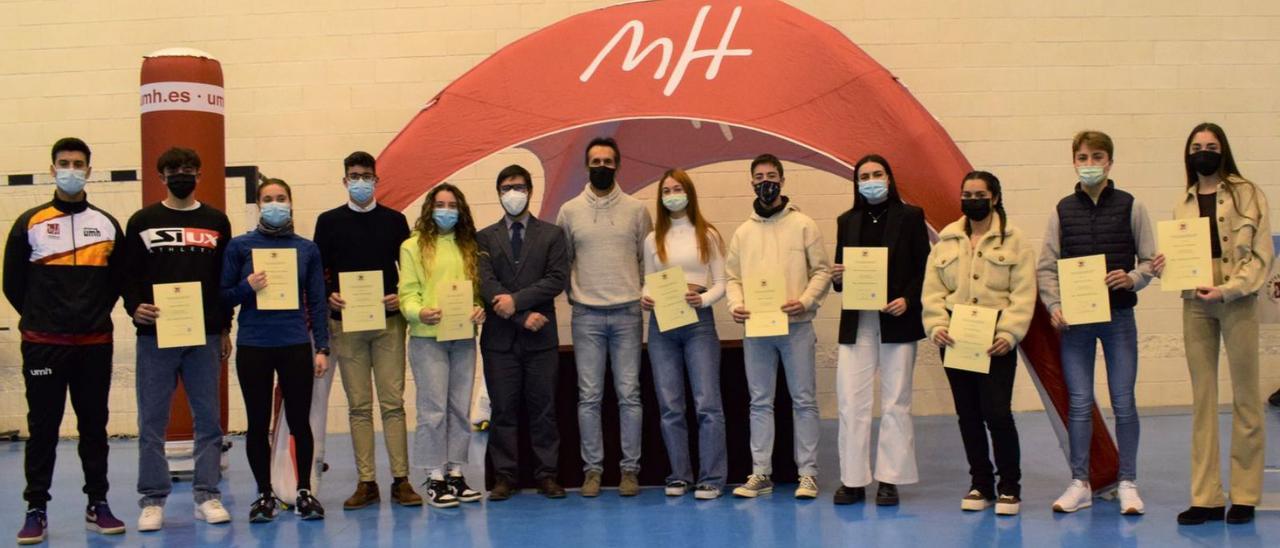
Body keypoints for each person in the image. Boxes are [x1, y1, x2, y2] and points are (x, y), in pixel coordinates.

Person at [4, 138, 126, 544]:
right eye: (64, 163)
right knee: (43, 428)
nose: (71, 169)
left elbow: (116, 284)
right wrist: (44, 318)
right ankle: (36, 508)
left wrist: (88, 315)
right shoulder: (29, 222)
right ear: (53, 168)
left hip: (94, 344)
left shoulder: (107, 224)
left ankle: (99, 504)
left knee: (95, 427)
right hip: (43, 343)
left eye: (78, 163)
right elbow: (12, 284)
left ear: (89, 171)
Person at [1160, 123, 1274, 526]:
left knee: (1246, 397)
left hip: (1237, 300)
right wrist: (1165, 267)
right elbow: (1181, 256)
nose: (1203, 152)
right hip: (1195, 303)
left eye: (1210, 146)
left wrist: (1229, 289)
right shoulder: (1183, 203)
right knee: (1202, 400)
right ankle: (1205, 496)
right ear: (1187, 154)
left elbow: (1261, 256)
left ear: (1224, 150)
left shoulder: (1248, 194)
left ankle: (1244, 494)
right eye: (1196, 147)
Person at [1037, 131, 1156, 515]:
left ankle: (1128, 482)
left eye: (1097, 156)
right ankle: (1080, 482)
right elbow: (1046, 266)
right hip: (1077, 322)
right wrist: (1054, 305)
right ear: (1074, 161)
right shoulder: (1061, 210)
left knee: (1124, 402)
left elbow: (1149, 261)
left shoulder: (1131, 206)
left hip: (1119, 316)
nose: (1090, 163)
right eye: (1083, 156)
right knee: (1079, 403)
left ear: (1110, 161)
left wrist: (1132, 279)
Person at [121, 147, 233, 531]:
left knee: (209, 420)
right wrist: (134, 306)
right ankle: (152, 500)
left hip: (204, 336)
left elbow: (224, 280)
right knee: (152, 421)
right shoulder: (142, 221)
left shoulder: (217, 221)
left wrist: (225, 328)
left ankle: (207, 495)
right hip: (155, 337)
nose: (181, 174)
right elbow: (128, 275)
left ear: (199, 175)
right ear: (161, 176)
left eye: (188, 168)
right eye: (173, 169)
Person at [922, 171, 1036, 516]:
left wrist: (1009, 334)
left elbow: (1023, 294)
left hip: (996, 340)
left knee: (997, 413)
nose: (972, 200)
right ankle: (980, 483)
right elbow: (933, 290)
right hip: (956, 339)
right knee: (968, 415)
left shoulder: (1015, 240)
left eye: (979, 194)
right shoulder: (947, 240)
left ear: (995, 198)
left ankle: (1010, 487)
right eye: (967, 194)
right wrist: (936, 325)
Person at [313, 151, 420, 509]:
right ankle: (366, 482)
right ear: (345, 181)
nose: (360, 182)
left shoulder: (395, 221)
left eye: (366, 176)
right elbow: (318, 275)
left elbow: (408, 273)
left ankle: (401, 480)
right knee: (359, 406)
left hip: (389, 324)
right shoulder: (327, 222)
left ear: (376, 181)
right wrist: (331, 296)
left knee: (393, 403)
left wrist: (399, 298)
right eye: (354, 176)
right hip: (347, 326)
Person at [221, 178, 328, 522]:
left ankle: (304, 491)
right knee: (256, 422)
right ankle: (264, 494)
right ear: (258, 204)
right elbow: (223, 296)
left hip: (295, 343)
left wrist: (322, 347)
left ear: (291, 203)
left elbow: (317, 301)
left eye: (281, 198)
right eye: (268, 198)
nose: (275, 204)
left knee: (300, 421)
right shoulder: (240, 247)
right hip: (254, 345)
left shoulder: (307, 249)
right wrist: (246, 287)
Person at [726, 154, 831, 499]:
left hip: (796, 327)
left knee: (803, 400)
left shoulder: (804, 224)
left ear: (783, 181)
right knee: (760, 402)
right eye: (759, 176)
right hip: (756, 330)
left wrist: (806, 300)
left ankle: (808, 473)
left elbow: (821, 271)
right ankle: (760, 473)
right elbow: (732, 279)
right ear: (751, 182)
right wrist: (735, 305)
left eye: (771, 175)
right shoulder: (742, 232)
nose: (765, 181)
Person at [829, 155, 930, 507]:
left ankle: (890, 478)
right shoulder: (847, 220)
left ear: (889, 178)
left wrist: (908, 299)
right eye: (864, 176)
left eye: (877, 174)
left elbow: (924, 267)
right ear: (856, 183)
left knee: (896, 400)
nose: (871, 180)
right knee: (851, 400)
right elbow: (841, 278)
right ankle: (853, 480)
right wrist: (838, 277)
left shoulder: (911, 216)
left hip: (897, 317)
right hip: (858, 321)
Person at [555, 137, 653, 497]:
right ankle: (592, 471)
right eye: (595, 161)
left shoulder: (638, 210)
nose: (602, 167)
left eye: (608, 161)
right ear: (586, 166)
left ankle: (630, 470)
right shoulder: (568, 211)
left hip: (628, 313)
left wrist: (641, 294)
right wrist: (576, 297)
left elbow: (648, 260)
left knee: (629, 394)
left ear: (618, 165)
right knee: (589, 396)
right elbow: (563, 261)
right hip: (587, 317)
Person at [476, 165, 570, 500]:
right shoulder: (484, 238)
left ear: (529, 190)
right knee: (503, 409)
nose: (511, 193)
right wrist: (519, 315)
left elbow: (556, 279)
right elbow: (487, 285)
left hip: (541, 338)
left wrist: (516, 301)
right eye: (505, 188)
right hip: (500, 341)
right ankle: (505, 476)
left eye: (517, 186)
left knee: (543, 409)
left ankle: (546, 474)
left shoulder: (552, 235)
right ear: (498, 193)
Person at [639, 169, 728, 500]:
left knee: (707, 402)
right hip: (662, 324)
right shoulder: (652, 239)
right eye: (667, 190)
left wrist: (702, 299)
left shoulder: (708, 234)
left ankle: (712, 477)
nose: (672, 194)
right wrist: (643, 297)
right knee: (670, 405)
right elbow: (647, 280)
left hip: (698, 322)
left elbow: (722, 282)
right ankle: (679, 475)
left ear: (689, 192)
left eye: (678, 188)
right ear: (661, 197)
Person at [399, 183, 487, 509]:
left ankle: (456, 472)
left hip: (463, 337)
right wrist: (418, 311)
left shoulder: (469, 246)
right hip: (427, 339)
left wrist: (479, 307)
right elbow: (407, 292)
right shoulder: (412, 247)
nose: (446, 210)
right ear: (429, 208)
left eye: (452, 205)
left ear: (460, 210)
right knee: (432, 411)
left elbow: (476, 291)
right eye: (440, 204)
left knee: (459, 410)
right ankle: (434, 477)